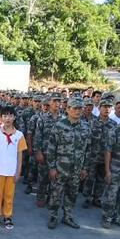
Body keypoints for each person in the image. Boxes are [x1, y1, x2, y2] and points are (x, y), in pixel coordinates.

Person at [46, 97, 92, 229]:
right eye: (75, 108)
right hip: (61, 168)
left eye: (80, 109)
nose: (78, 111)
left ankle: (68, 216)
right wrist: (52, 167)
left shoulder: (85, 127)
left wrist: (85, 168)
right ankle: (53, 216)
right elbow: (51, 148)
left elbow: (88, 149)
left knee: (72, 194)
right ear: (67, 109)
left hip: (77, 169)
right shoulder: (59, 126)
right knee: (56, 193)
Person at [0, 106, 27, 230]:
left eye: (10, 116)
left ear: (14, 117)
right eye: (5, 116)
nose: (8, 118)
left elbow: (20, 154)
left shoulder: (19, 135)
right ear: (1, 117)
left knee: (9, 195)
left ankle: (7, 216)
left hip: (11, 171)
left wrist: (18, 172)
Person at [83, 99, 117, 208]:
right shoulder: (92, 122)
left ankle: (97, 198)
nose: (106, 109)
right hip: (92, 156)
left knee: (101, 180)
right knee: (89, 178)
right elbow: (87, 141)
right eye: (104, 107)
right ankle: (87, 198)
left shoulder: (114, 125)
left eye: (109, 107)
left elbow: (114, 143)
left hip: (105, 158)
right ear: (99, 108)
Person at [33, 96, 62, 208]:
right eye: (54, 101)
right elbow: (37, 137)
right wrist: (38, 152)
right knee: (43, 177)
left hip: (58, 155)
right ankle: (40, 197)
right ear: (49, 103)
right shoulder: (42, 119)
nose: (56, 103)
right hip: (45, 153)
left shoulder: (63, 119)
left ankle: (51, 198)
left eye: (58, 101)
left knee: (55, 179)